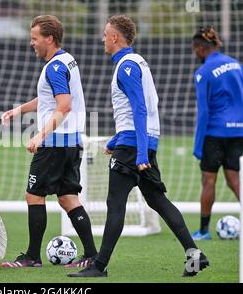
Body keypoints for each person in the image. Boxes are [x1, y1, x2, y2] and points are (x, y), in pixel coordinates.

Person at [68, 15, 208, 278]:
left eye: (104, 34)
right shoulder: (135, 62)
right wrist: (116, 140)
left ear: (114, 37)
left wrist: (139, 152)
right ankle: (194, 254)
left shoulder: (127, 66)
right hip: (139, 142)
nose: (102, 39)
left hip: (135, 147)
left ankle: (99, 266)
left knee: (115, 204)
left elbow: (140, 109)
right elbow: (133, 115)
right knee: (157, 200)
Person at [1, 15, 97, 268]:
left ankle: (32, 257)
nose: (31, 43)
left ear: (49, 38)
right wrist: (18, 110)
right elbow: (48, 100)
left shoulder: (54, 67)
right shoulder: (66, 61)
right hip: (71, 142)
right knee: (67, 198)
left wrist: (40, 135)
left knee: (34, 195)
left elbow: (63, 106)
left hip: (54, 144)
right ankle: (91, 256)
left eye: (35, 38)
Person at [190, 26, 243, 240]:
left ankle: (203, 231)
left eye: (194, 50)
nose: (195, 53)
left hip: (215, 132)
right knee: (235, 180)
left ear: (200, 48)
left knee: (208, 181)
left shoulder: (203, 72)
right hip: (239, 131)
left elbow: (203, 112)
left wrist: (197, 145)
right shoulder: (237, 65)